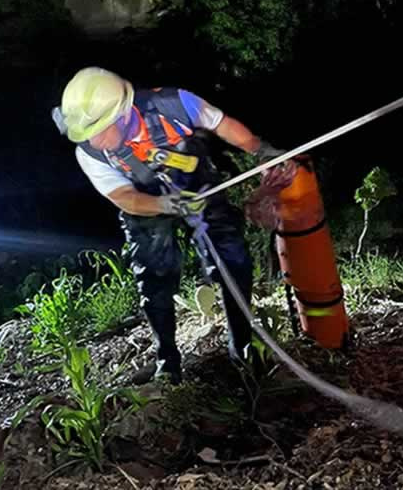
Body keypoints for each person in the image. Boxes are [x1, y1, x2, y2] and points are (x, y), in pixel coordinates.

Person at [52, 66, 290, 384]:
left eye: (99, 130)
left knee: (232, 259)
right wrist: (163, 205)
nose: (94, 140)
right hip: (144, 199)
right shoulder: (91, 153)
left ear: (122, 114)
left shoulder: (174, 104)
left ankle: (243, 348)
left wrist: (259, 150)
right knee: (154, 276)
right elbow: (124, 197)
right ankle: (168, 359)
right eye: (86, 134)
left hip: (197, 184)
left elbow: (223, 125)